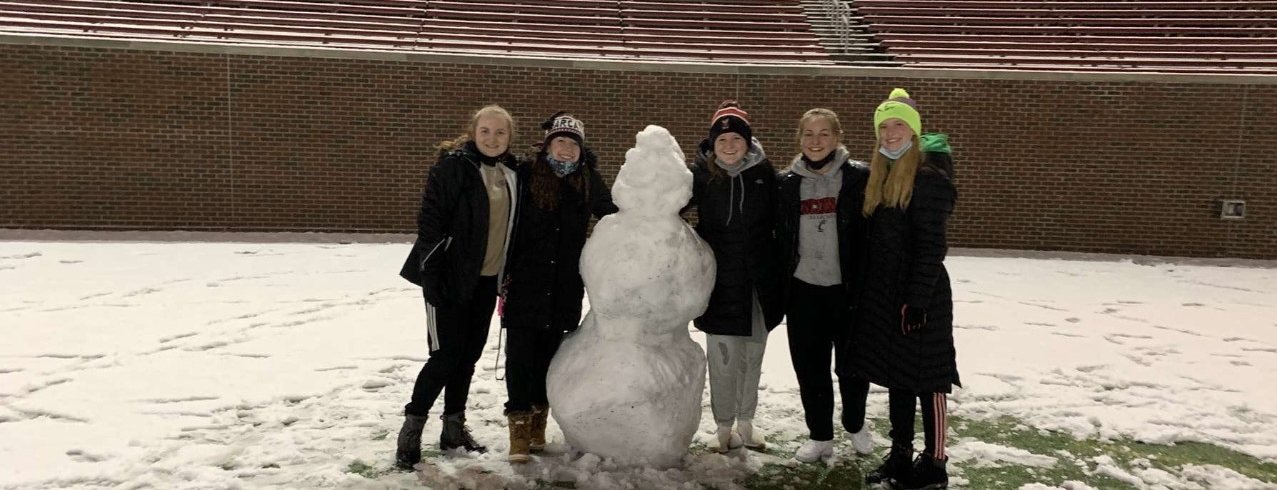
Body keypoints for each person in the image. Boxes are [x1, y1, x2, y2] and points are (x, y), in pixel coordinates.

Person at [395, 104, 520, 469]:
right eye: (485, 131)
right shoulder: (453, 168)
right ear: (473, 132)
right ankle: (412, 429)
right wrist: (432, 278)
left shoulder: (512, 172)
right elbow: (430, 224)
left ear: (509, 137)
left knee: (468, 357)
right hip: (448, 280)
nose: (492, 138)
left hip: (486, 281)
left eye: (500, 132)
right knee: (445, 357)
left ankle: (453, 429)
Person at [853, 89, 960, 490]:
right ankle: (900, 454)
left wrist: (916, 301)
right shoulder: (879, 177)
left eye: (898, 124)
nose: (890, 132)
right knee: (896, 377)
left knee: (930, 379)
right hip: (885, 294)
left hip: (923, 297)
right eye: (884, 126)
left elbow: (932, 247)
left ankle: (935, 463)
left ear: (914, 132)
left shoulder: (928, 179)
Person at [501, 111, 616, 463]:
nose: (566, 150)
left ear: (582, 150)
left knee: (550, 358)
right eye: (560, 141)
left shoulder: (588, 181)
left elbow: (613, 214)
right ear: (548, 143)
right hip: (525, 283)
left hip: (564, 285)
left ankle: (539, 423)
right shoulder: (525, 175)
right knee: (520, 357)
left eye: (573, 144)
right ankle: (519, 429)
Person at [684, 101, 783, 453]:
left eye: (735, 138)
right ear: (713, 144)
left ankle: (746, 421)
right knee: (723, 360)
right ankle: (723, 426)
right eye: (722, 139)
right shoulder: (700, 176)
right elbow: (671, 209)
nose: (729, 145)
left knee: (750, 358)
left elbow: (780, 225)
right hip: (721, 284)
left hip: (758, 285)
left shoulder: (765, 174)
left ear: (747, 141)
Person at [776, 108, 874, 463]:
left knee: (851, 367)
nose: (815, 141)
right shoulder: (786, 183)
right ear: (799, 139)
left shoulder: (860, 178)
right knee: (810, 368)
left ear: (837, 137)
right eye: (808, 134)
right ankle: (820, 435)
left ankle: (856, 424)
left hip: (847, 291)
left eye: (823, 134)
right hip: (804, 291)